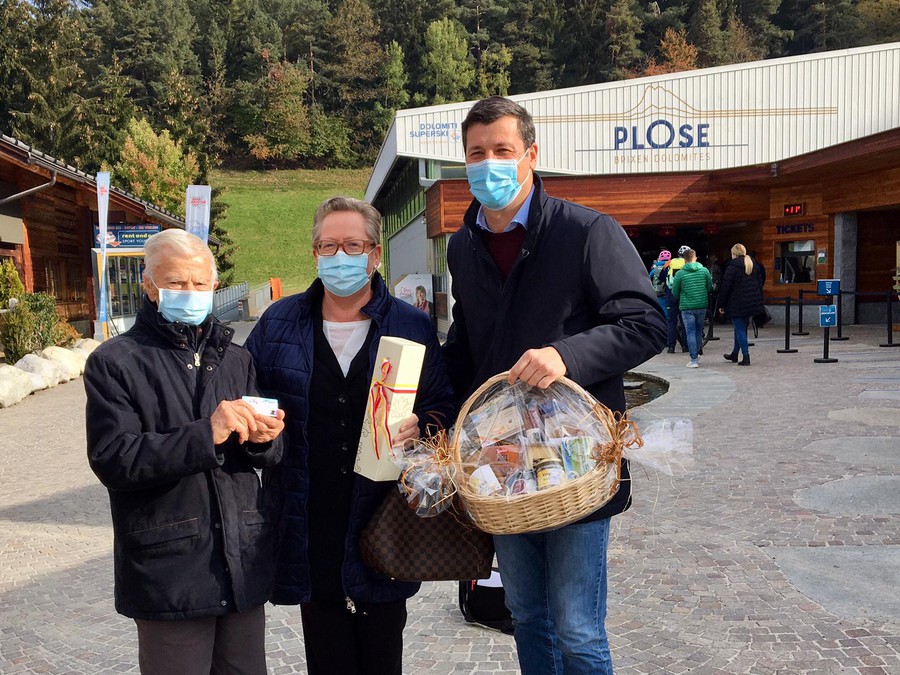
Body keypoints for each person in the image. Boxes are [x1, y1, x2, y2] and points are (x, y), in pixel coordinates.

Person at [443, 96, 666, 675]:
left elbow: (646, 324)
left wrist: (565, 355)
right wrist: (437, 420)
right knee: (524, 613)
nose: (489, 163)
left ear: (531, 154)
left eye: (502, 150)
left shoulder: (587, 230)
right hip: (503, 465)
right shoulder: (461, 246)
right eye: (477, 153)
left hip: (577, 458)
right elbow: (466, 348)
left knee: (578, 627)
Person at [244, 196, 455, 675]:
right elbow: (249, 400)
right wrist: (260, 432)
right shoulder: (279, 323)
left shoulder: (411, 324)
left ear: (375, 253)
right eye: (329, 245)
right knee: (326, 650)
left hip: (382, 516)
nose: (341, 257)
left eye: (352, 245)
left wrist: (422, 424)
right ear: (314, 253)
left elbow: (444, 405)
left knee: (382, 649)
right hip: (308, 512)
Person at [84, 228, 285, 675]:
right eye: (176, 282)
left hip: (240, 561)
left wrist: (265, 440)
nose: (190, 292)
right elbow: (114, 458)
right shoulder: (116, 362)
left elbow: (269, 457)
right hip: (169, 565)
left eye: (199, 283)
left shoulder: (236, 359)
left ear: (215, 286)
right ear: (150, 286)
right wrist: (206, 433)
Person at [718, 243, 765, 366]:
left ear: (734, 254)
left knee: (739, 329)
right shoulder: (753, 265)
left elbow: (725, 287)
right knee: (740, 329)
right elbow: (760, 284)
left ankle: (746, 356)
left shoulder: (732, 267)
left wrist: (721, 304)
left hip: (736, 303)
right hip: (751, 303)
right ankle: (734, 353)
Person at [671, 248, 712, 368]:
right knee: (699, 330)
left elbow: (675, 292)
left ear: (684, 260)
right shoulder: (704, 271)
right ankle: (697, 353)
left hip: (687, 306)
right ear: (696, 258)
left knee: (690, 332)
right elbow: (709, 288)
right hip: (702, 305)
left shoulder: (680, 274)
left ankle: (693, 359)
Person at [663, 244, 690, 352]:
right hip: (684, 293)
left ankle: (671, 346)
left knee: (671, 321)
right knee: (684, 320)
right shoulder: (688, 264)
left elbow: (661, 277)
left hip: (671, 294)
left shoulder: (669, 262)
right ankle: (685, 346)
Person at [649, 249, 671, 317]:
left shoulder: (655, 268)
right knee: (670, 307)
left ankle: (664, 321)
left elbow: (648, 278)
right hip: (669, 291)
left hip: (658, 291)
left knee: (661, 307)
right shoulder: (671, 266)